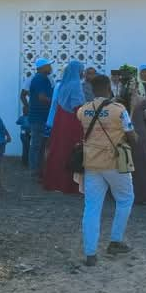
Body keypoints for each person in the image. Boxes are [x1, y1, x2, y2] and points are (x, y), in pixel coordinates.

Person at [75, 74, 138, 266]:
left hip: (92, 163)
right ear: (109, 88)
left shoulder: (83, 110)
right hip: (115, 162)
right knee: (125, 199)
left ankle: (90, 253)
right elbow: (132, 136)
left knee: (92, 208)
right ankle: (115, 240)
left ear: (92, 90)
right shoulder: (119, 110)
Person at [43, 60, 86, 194]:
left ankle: (55, 182)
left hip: (61, 118)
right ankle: (69, 185)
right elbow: (77, 106)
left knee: (58, 149)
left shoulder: (62, 85)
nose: (82, 73)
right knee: (71, 150)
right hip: (72, 120)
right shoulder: (76, 85)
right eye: (81, 70)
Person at [121, 73, 146, 205]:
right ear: (136, 86)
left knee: (123, 168)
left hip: (122, 138)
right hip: (140, 138)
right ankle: (142, 196)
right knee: (142, 168)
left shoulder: (117, 102)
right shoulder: (143, 101)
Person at [27, 59, 54, 177]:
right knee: (37, 144)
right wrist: (54, 104)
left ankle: (38, 168)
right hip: (39, 116)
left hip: (41, 116)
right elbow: (42, 97)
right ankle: (34, 169)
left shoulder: (44, 79)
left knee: (40, 144)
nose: (51, 67)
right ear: (42, 67)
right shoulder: (40, 79)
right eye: (49, 65)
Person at [17, 91, 31, 168]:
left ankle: (24, 161)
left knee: (25, 148)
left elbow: (17, 122)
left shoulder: (22, 118)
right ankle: (26, 161)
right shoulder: (29, 118)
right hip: (28, 134)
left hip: (23, 134)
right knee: (27, 148)